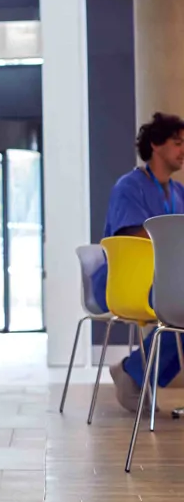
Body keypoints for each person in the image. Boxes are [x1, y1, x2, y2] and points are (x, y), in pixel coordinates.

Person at [100, 113, 184, 412]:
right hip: (128, 281)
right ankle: (134, 371)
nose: (183, 150)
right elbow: (136, 236)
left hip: (166, 281)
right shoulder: (129, 186)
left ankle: (134, 371)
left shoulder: (178, 192)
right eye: (177, 142)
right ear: (155, 145)